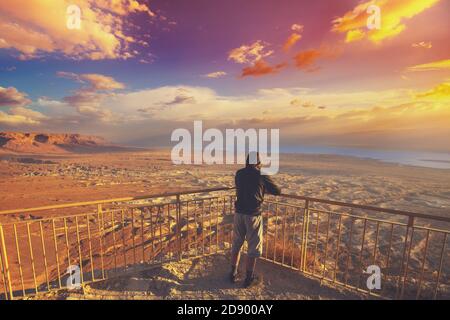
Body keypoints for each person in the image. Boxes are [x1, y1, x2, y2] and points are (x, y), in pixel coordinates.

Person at [230, 151, 281, 287]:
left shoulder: (239, 173)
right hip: (253, 214)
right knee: (253, 247)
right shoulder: (261, 174)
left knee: (237, 244)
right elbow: (277, 191)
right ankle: (249, 278)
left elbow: (240, 187)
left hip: (239, 213)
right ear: (258, 162)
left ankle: (232, 273)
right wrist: (262, 188)